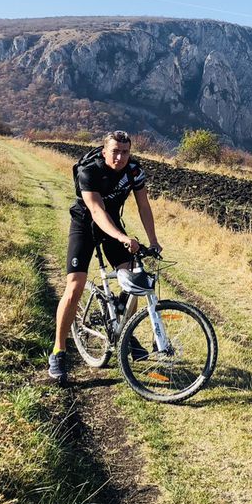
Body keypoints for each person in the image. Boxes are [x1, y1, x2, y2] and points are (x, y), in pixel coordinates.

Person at [49, 130, 161, 383]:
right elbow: (97, 211)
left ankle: (123, 331)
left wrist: (153, 241)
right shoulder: (88, 171)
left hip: (113, 226)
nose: (120, 157)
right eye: (115, 152)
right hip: (85, 225)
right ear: (104, 152)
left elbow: (144, 206)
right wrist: (123, 237)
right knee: (75, 285)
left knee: (134, 278)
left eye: (125, 152)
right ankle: (58, 351)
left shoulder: (133, 171)